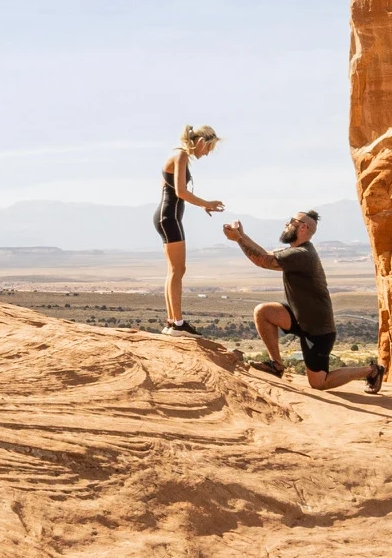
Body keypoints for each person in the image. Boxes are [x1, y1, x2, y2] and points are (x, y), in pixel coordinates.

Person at [220, 209, 379, 391]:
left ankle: (371, 370)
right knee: (263, 312)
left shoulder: (302, 254)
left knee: (319, 383)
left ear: (303, 228)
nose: (286, 224)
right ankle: (276, 365)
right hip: (298, 318)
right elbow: (264, 254)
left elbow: (262, 261)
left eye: (291, 221)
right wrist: (242, 234)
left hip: (318, 329)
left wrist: (238, 239)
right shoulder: (295, 251)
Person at [154, 125, 221, 330]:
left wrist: (203, 205)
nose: (207, 153)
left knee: (174, 270)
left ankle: (172, 321)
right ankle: (178, 323)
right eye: (208, 148)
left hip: (166, 216)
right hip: (170, 217)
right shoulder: (181, 155)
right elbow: (181, 192)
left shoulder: (178, 156)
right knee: (178, 269)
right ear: (201, 142)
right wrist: (206, 203)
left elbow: (172, 191)